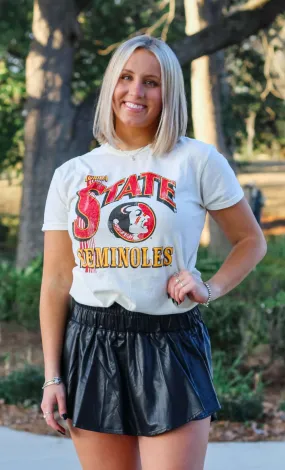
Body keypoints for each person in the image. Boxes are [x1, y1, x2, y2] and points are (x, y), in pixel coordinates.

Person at [40, 35, 267, 470]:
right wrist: (54, 376)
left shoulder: (197, 161)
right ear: (111, 85)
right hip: (92, 345)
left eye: (151, 82)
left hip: (170, 343)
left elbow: (251, 241)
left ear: (169, 93)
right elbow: (56, 282)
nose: (136, 92)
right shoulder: (73, 174)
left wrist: (210, 286)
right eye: (126, 78)